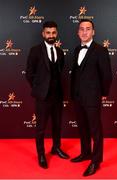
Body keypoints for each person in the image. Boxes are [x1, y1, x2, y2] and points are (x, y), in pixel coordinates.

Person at [70, 19, 112, 176]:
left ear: (93, 32)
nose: (84, 32)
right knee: (82, 128)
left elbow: (107, 76)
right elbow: (76, 74)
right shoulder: (76, 50)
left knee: (96, 131)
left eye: (88, 29)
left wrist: (103, 94)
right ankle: (85, 153)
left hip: (93, 97)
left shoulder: (101, 50)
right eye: (81, 29)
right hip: (78, 97)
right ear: (78, 32)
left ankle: (96, 161)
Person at [26, 21, 69, 169]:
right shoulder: (35, 51)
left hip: (57, 96)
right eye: (48, 32)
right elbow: (29, 74)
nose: (51, 35)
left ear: (56, 34)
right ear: (43, 34)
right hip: (43, 97)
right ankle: (41, 154)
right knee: (41, 128)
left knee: (57, 125)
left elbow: (59, 72)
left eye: (53, 33)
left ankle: (56, 148)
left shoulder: (60, 52)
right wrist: (39, 89)